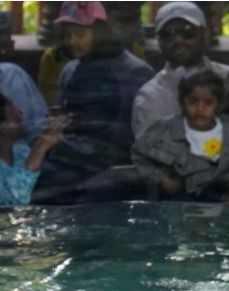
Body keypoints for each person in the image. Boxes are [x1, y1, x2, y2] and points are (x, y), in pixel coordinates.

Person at [36, 1, 154, 194]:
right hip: (73, 156)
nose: (72, 41)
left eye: (81, 34)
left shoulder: (135, 72)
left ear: (100, 34)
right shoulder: (70, 69)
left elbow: (127, 136)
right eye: (68, 35)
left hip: (113, 165)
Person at [132, 70, 229, 201]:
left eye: (208, 103)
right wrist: (162, 179)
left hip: (218, 197)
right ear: (182, 103)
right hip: (176, 200)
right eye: (193, 102)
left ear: (219, 104)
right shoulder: (164, 129)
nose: (200, 108)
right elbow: (139, 155)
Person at [131, 2, 229, 139]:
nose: (178, 41)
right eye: (168, 34)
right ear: (159, 41)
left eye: (187, 32)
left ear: (205, 33)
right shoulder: (150, 98)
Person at [0, 90, 70, 205]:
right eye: (13, 111)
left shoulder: (21, 151)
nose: (20, 113)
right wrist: (40, 147)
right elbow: (12, 200)